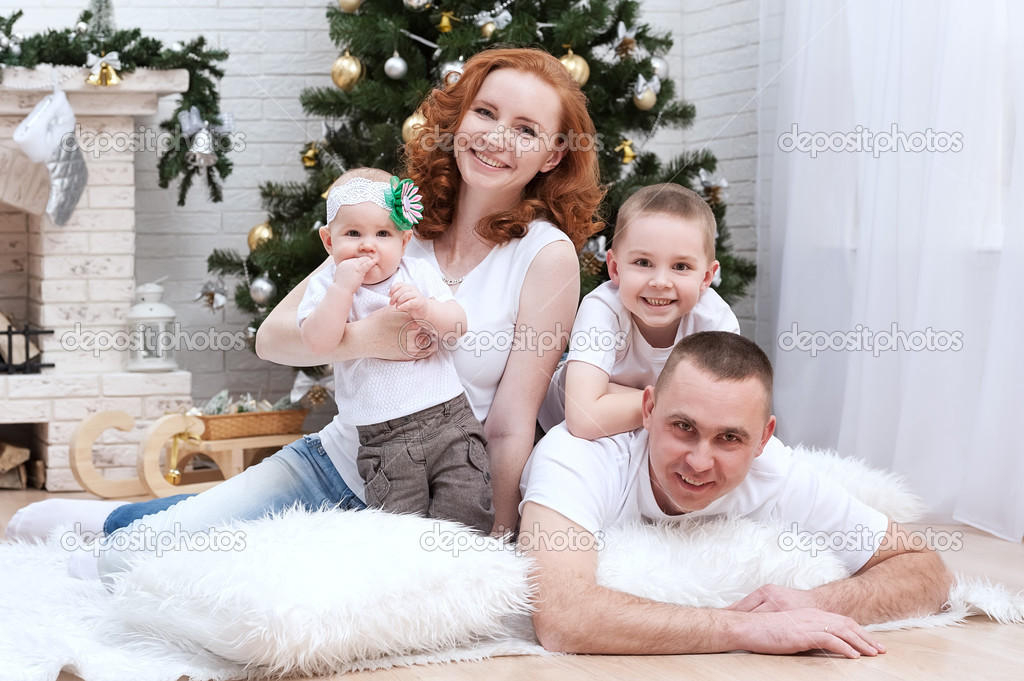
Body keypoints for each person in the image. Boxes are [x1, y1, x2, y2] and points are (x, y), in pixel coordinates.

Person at [5, 46, 602, 554]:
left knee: (253, 567)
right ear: (458, 120)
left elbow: (509, 422)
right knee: (159, 552)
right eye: (485, 112)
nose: (497, 137)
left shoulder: (543, 258)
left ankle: (151, 520)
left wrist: (496, 536)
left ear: (553, 154)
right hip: (336, 461)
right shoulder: (393, 215)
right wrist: (368, 339)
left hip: (436, 493)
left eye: (525, 129)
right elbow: (273, 337)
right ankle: (106, 522)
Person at [520, 331, 952, 658]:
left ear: (763, 439)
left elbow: (924, 569)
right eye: (683, 427)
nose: (700, 462)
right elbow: (562, 616)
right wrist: (742, 628)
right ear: (648, 410)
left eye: (729, 438)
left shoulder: (776, 471)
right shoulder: (578, 455)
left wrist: (811, 602)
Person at [298, 168, 491, 533]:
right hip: (384, 438)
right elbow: (317, 343)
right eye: (353, 233)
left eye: (383, 233)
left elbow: (458, 326)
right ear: (328, 241)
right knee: (397, 529)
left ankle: (467, 580)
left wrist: (426, 310)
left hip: (449, 420)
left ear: (403, 241)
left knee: (467, 513)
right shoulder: (327, 286)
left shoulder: (416, 274)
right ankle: (410, 586)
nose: (368, 245)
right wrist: (342, 290)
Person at [537, 182, 739, 439]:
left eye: (681, 266)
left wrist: (609, 396)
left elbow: (721, 407)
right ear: (615, 268)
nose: (660, 282)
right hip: (559, 426)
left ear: (706, 277)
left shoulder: (715, 319)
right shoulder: (603, 308)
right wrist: (680, 404)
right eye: (643, 262)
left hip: (649, 424)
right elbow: (583, 418)